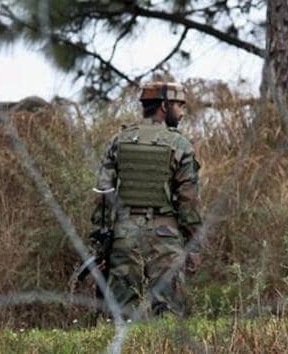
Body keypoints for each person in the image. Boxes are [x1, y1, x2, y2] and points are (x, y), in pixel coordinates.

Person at [91, 81, 203, 319]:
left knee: (121, 314)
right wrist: (195, 245)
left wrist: (103, 243)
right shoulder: (179, 144)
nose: (182, 112)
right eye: (179, 105)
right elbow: (188, 202)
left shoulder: (119, 140)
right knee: (170, 315)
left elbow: (102, 193)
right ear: (164, 106)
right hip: (165, 237)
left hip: (123, 235)